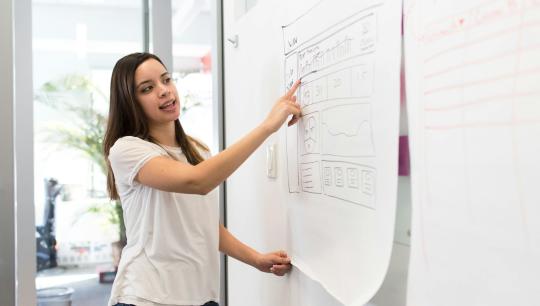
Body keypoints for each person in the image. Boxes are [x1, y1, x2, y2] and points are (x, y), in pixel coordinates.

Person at [103, 52, 301, 306]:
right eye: (147, 88)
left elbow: (205, 227)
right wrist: (267, 127)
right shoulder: (127, 150)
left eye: (166, 80)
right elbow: (197, 182)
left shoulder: (197, 151)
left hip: (201, 296)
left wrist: (256, 259)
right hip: (147, 296)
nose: (163, 91)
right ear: (130, 102)